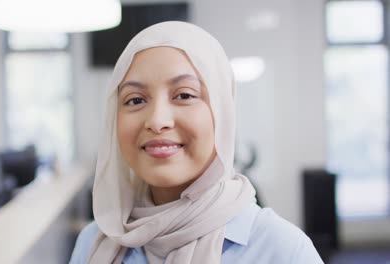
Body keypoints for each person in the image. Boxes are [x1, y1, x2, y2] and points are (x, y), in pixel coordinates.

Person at [69, 21, 323, 264]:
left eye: (184, 95)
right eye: (135, 100)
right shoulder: (94, 243)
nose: (157, 121)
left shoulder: (280, 250)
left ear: (222, 114)